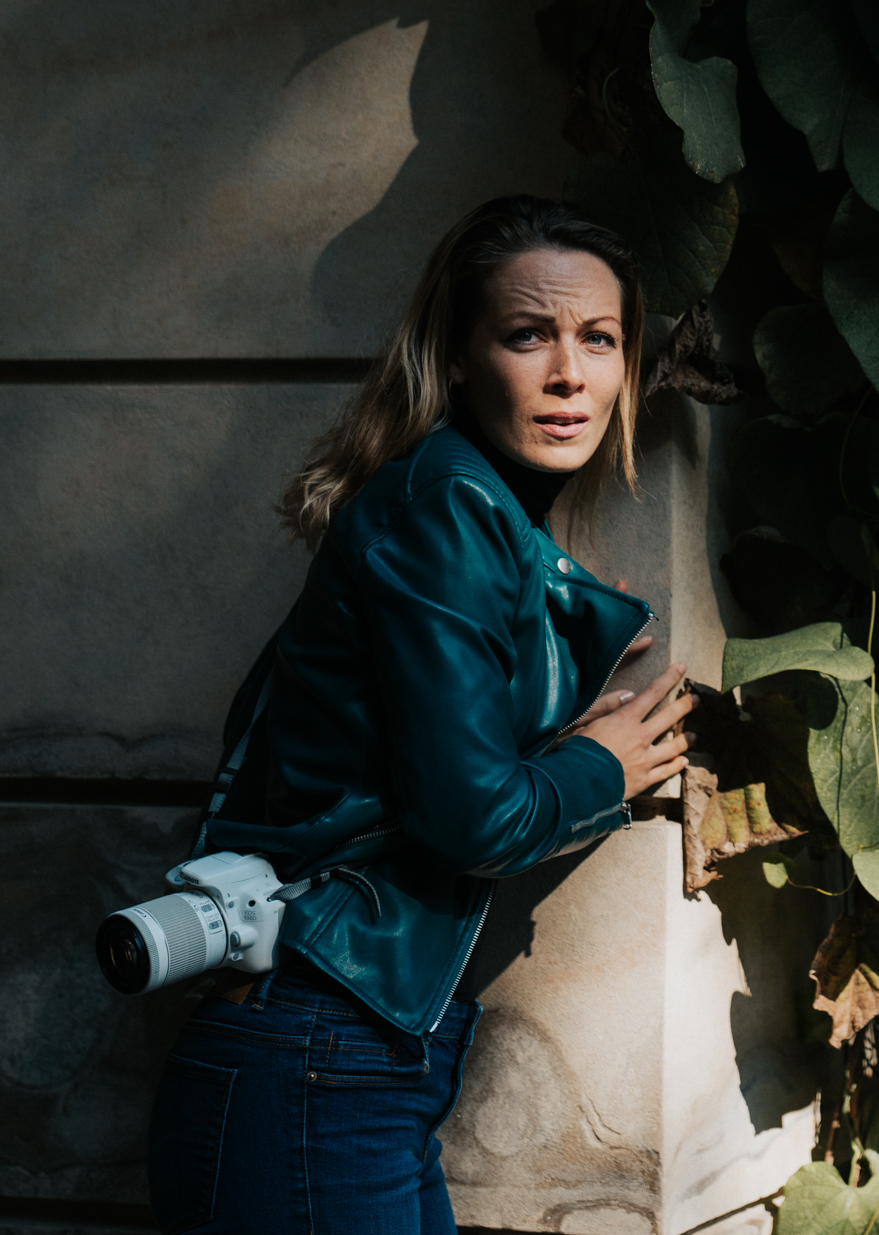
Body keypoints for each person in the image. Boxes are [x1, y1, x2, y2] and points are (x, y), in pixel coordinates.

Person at [144, 196, 699, 1234]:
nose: (570, 373)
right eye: (527, 335)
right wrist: (601, 768)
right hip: (315, 1052)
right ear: (455, 357)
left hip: (345, 1058)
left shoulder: (463, 508)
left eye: (600, 339)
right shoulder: (445, 504)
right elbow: (471, 817)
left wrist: (555, 662)